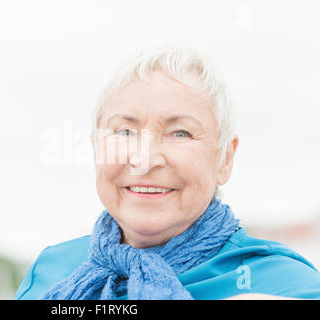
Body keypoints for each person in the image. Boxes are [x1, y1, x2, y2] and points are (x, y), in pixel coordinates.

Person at [16, 45, 320, 300]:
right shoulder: (50, 273)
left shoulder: (284, 286)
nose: (145, 159)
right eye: (124, 131)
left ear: (225, 159)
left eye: (180, 133)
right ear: (97, 149)